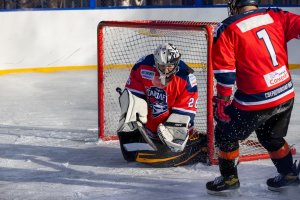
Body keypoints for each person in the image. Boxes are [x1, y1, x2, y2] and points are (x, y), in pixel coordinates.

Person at [206, 0, 300, 196]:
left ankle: (229, 178)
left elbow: (225, 73)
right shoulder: (276, 15)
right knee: (270, 135)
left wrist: (223, 101)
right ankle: (288, 175)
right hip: (284, 93)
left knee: (225, 133)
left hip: (256, 100)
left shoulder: (227, 27)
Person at [116, 43, 207, 167]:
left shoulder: (186, 78)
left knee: (167, 156)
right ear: (155, 62)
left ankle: (198, 145)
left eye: (170, 66)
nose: (165, 70)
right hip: (149, 128)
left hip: (171, 131)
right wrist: (134, 113)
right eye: (162, 66)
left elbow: (184, 113)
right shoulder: (142, 66)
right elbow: (133, 95)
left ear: (176, 63)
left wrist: (170, 133)